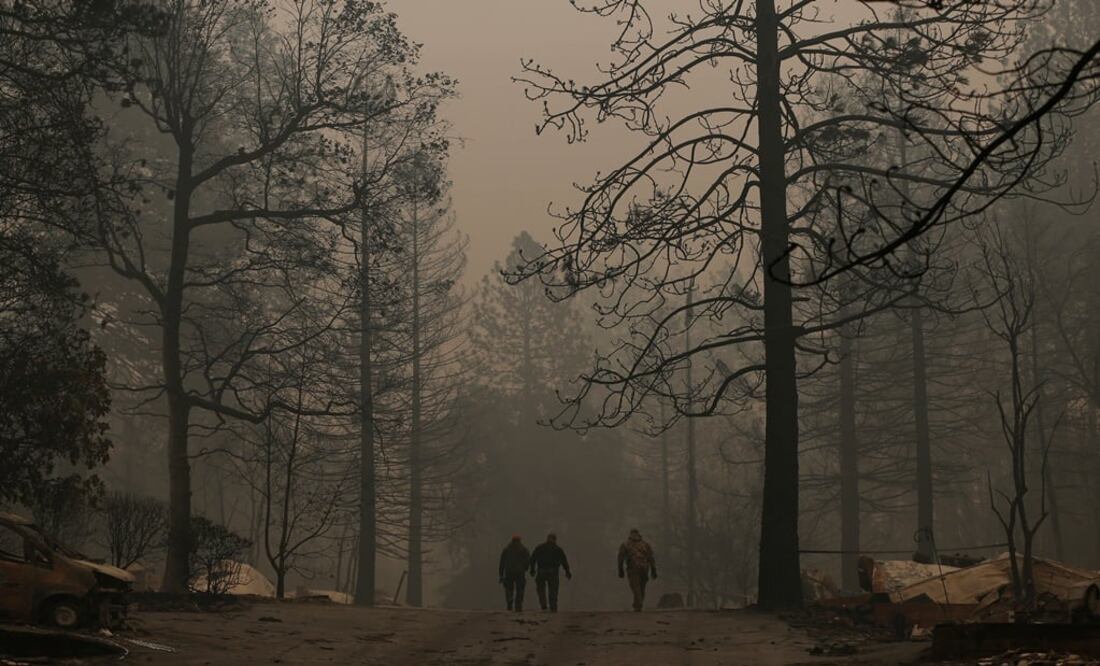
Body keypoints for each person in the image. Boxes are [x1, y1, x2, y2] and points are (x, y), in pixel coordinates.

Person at [529, 533, 572, 612]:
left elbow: (533, 558)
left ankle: (543, 604)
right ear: (555, 540)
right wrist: (567, 572)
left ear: (547, 538)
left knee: (540, 588)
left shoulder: (540, 547)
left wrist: (532, 570)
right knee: (553, 589)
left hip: (541, 571)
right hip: (553, 572)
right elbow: (564, 561)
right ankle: (553, 606)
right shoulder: (558, 549)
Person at [617, 528, 657, 611]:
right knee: (642, 587)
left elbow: (620, 558)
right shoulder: (645, 544)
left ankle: (638, 604)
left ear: (630, 534)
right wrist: (653, 570)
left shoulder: (625, 544)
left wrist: (620, 570)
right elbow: (651, 557)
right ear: (638, 534)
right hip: (645, 568)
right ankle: (638, 604)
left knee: (635, 587)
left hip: (633, 568)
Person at [498, 534, 530, 612]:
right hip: (520, 572)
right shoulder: (524, 549)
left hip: (509, 572)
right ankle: (518, 605)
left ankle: (509, 600)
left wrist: (501, 574)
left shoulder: (506, 550)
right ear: (519, 541)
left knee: (508, 588)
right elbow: (528, 560)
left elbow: (502, 563)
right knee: (520, 589)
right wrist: (525, 568)